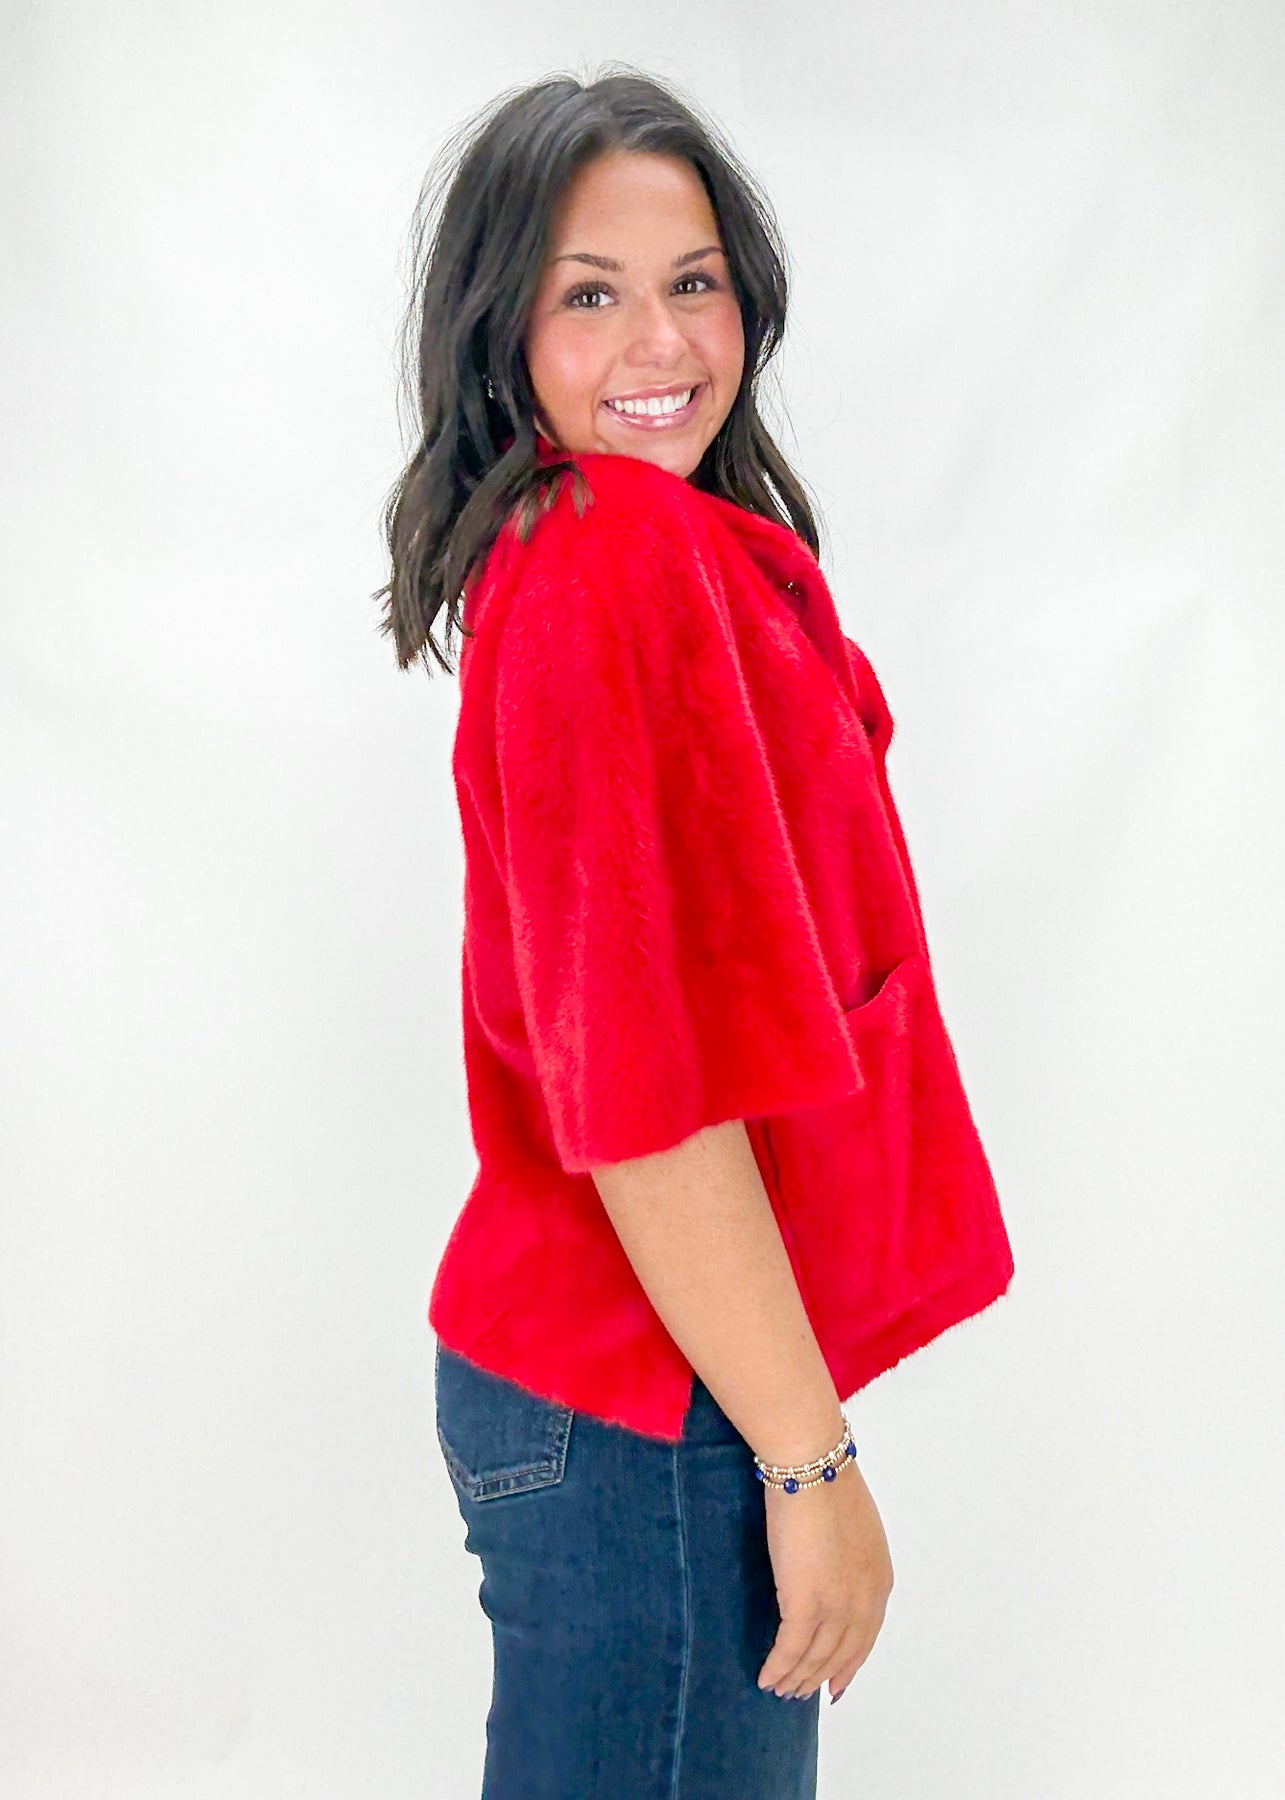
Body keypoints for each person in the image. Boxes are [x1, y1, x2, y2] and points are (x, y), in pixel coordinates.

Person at [375, 66, 1015, 1800]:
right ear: (502, 334)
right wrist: (809, 1465)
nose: (658, 340)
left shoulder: (641, 550)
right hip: (643, 1412)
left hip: (633, 1391)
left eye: (693, 282)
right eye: (588, 295)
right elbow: (642, 1094)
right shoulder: (604, 565)